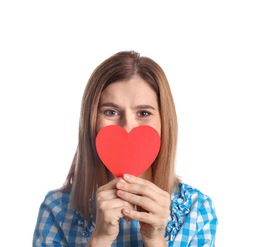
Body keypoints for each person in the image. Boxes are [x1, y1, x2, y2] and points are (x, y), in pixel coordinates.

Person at [33, 50, 218, 246]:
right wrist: (100, 239)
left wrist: (155, 239)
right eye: (111, 111)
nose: (127, 126)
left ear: (164, 122)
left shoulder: (196, 210)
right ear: (91, 121)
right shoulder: (57, 209)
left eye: (144, 112)